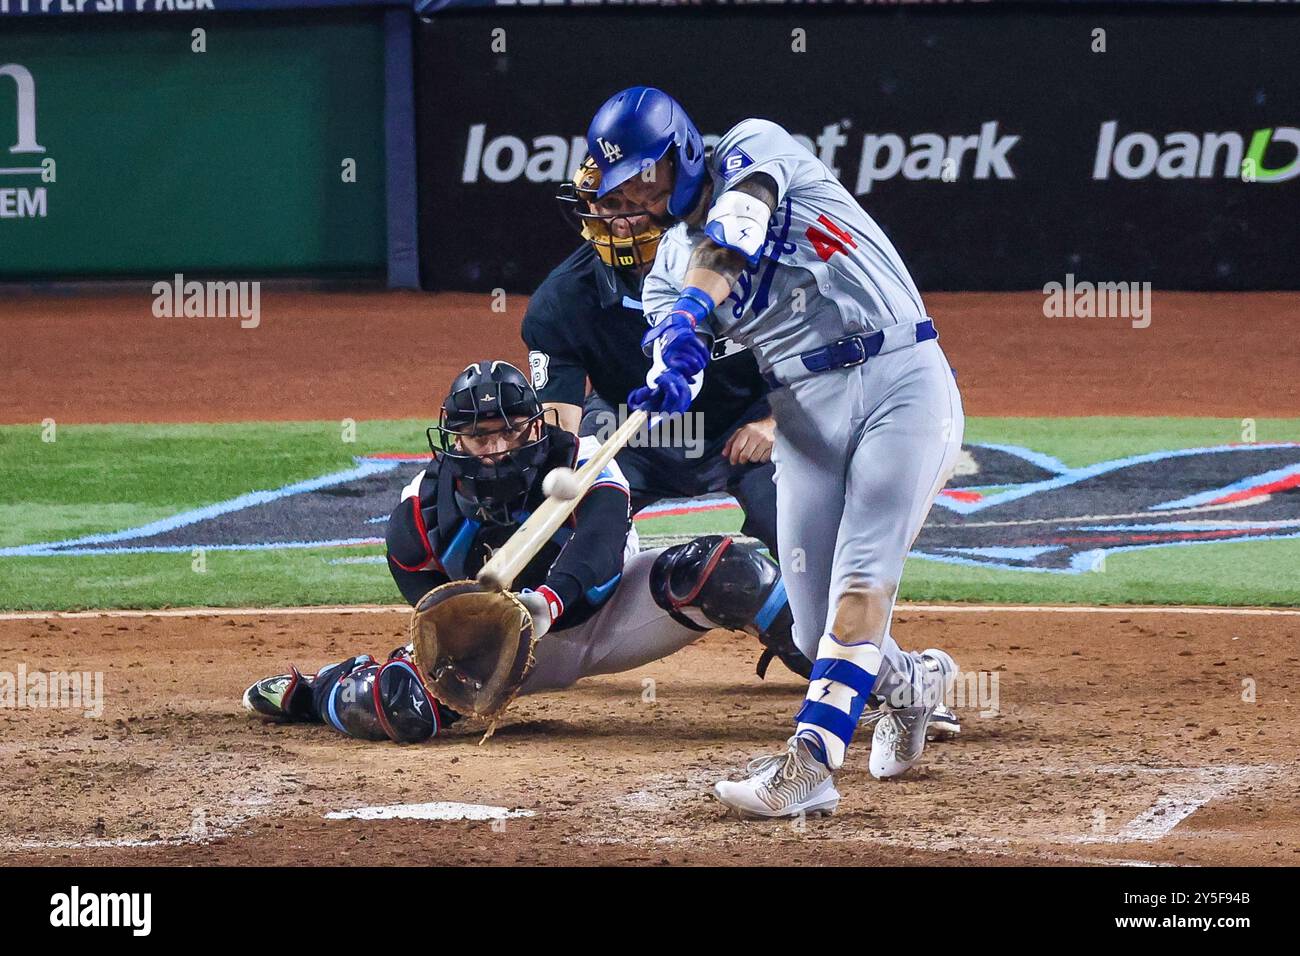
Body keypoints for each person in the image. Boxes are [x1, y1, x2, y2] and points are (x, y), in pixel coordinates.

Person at [583, 87, 967, 817]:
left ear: (681, 152)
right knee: (813, 623)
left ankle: (809, 764)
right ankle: (915, 684)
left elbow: (739, 224)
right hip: (803, 414)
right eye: (617, 184)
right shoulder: (667, 267)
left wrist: (697, 307)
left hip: (901, 379)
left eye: (640, 173)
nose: (629, 195)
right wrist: (672, 366)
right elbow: (678, 342)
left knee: (863, 577)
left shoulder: (753, 148)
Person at [241, 360, 810, 740]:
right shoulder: (421, 511)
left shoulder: (584, 461)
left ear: (535, 427)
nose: (495, 448)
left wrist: (544, 603)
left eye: (510, 431)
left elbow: (598, 551)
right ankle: (319, 693)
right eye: (478, 435)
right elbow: (431, 607)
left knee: (732, 573)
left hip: (613, 615)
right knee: (396, 704)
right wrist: (469, 642)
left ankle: (840, 672)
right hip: (502, 652)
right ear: (455, 440)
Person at [522, 157, 786, 638]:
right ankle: (551, 629)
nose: (620, 220)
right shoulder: (558, 304)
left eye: (635, 205)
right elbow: (556, 435)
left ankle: (814, 639)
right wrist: (565, 488)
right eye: (608, 204)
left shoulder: (739, 266)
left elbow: (812, 354)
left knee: (800, 524)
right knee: (559, 521)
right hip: (634, 430)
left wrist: (776, 423)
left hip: (744, 429)